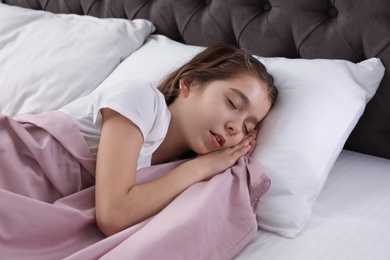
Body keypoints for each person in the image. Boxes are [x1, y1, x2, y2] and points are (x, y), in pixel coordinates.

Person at [60, 44, 278, 236]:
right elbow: (113, 215)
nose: (234, 127)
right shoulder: (142, 99)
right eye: (232, 103)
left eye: (247, 127)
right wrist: (199, 168)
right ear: (190, 84)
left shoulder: (172, 173)